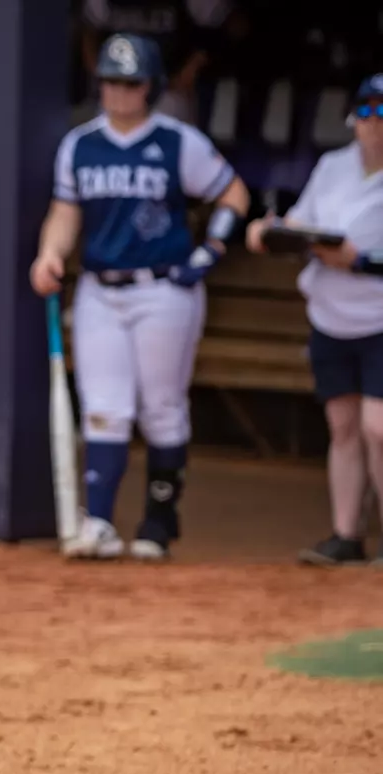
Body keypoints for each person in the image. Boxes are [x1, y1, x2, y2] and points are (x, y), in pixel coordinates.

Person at [31, 33, 249, 560]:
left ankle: (158, 522)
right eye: (109, 81)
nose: (117, 93)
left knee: (161, 406)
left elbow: (233, 193)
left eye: (129, 83)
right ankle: (100, 521)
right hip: (100, 291)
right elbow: (66, 212)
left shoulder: (177, 141)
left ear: (149, 87)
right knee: (104, 406)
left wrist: (211, 251)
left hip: (164, 290)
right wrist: (50, 254)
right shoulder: (80, 143)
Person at [247, 75, 383, 567]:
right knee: (343, 425)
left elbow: (361, 255)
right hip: (331, 316)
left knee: (379, 427)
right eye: (366, 113)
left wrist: (361, 260)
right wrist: (273, 232)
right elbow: (302, 225)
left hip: (379, 319)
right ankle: (346, 535)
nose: (375, 125)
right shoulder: (332, 167)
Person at [80, 0, 232, 126]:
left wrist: (189, 71)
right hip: (119, 85)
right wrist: (97, 71)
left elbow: (218, 30)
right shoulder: (103, 4)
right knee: (111, 141)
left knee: (171, 142)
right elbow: (88, 31)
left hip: (169, 89)